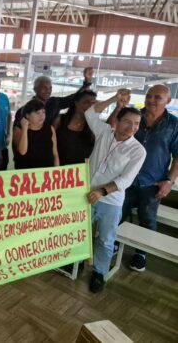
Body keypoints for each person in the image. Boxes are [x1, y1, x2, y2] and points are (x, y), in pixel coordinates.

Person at [84, 90, 146, 293]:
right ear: (117, 121)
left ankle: (99, 273)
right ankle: (74, 261)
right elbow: (90, 113)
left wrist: (102, 191)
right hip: (86, 194)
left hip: (110, 201)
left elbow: (125, 180)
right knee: (80, 232)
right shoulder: (104, 132)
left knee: (105, 239)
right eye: (127, 122)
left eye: (136, 124)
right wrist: (114, 100)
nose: (132, 127)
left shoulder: (138, 150)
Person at [111, 84, 178, 272]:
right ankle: (114, 241)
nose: (151, 100)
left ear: (168, 101)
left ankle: (141, 253)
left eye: (157, 97)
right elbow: (113, 133)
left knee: (147, 219)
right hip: (125, 179)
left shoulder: (174, 125)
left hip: (152, 182)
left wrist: (169, 181)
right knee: (118, 213)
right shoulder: (134, 117)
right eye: (149, 96)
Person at [14, 67, 94, 127]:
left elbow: (74, 98)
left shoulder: (54, 102)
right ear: (35, 89)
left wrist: (87, 82)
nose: (48, 91)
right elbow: (18, 131)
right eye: (44, 88)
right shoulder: (25, 110)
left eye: (50, 88)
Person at [13, 99, 59, 169]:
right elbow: (22, 151)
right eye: (38, 113)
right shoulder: (19, 130)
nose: (42, 116)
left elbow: (55, 154)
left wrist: (57, 170)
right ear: (27, 115)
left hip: (47, 172)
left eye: (43, 112)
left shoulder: (50, 128)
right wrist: (25, 129)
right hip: (27, 172)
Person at [54, 90, 97, 165]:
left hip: (84, 170)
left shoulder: (95, 124)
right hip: (60, 169)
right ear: (76, 103)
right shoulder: (60, 120)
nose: (90, 106)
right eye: (86, 102)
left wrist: (117, 108)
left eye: (93, 103)